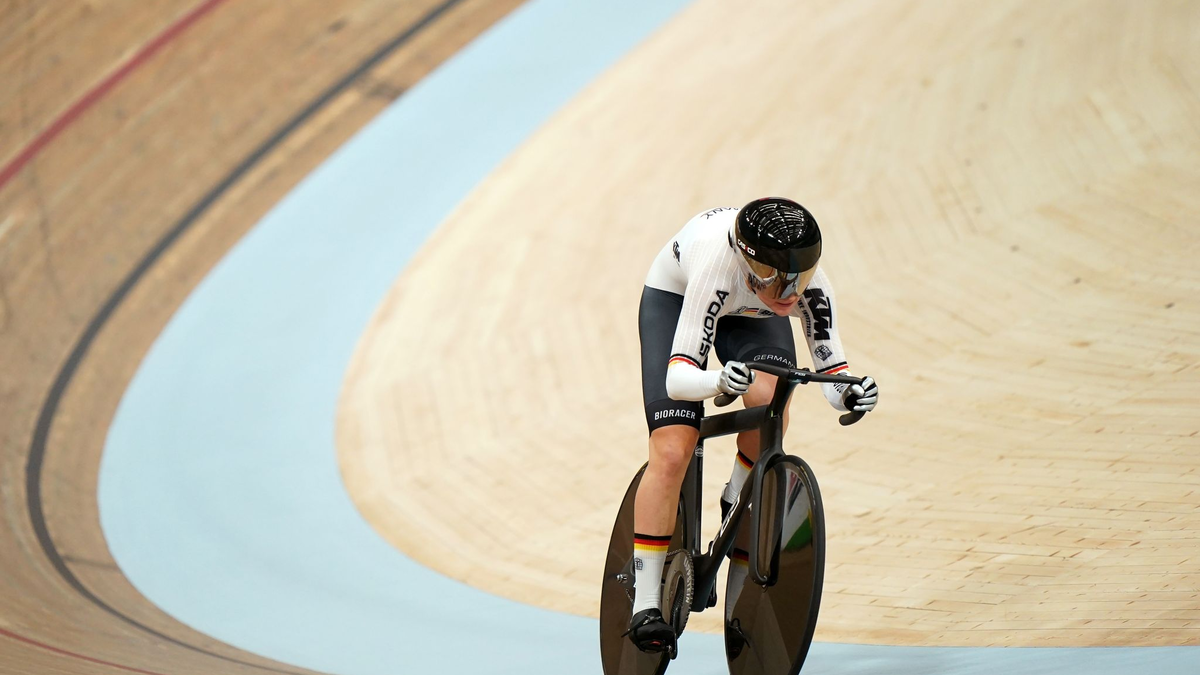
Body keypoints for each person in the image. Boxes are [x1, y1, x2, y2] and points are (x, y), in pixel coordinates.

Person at [626, 197, 879, 653]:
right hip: (678, 299)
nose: (790, 294)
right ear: (748, 264)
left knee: (769, 401)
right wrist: (717, 380)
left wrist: (851, 392)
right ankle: (644, 605)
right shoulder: (716, 268)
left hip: (749, 313)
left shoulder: (804, 285)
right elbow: (678, 379)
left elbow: (831, 370)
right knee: (673, 449)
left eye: (799, 280)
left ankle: (737, 493)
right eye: (776, 279)